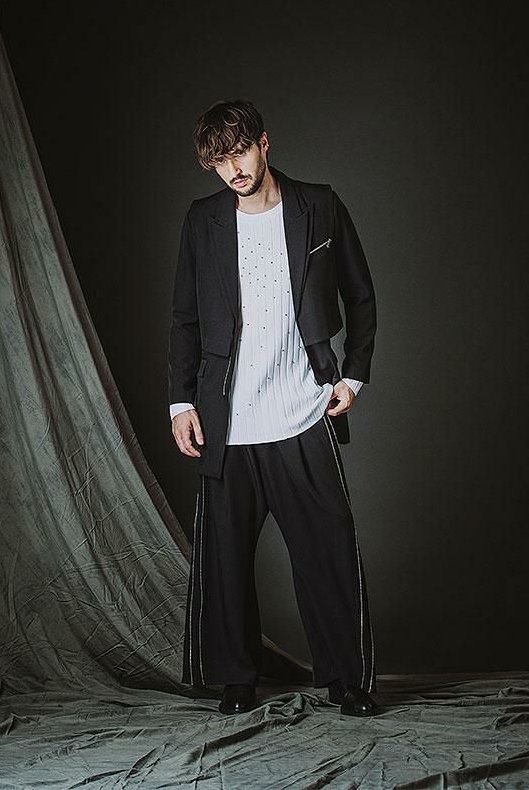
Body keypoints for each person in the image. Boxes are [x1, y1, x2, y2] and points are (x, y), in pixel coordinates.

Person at [168, 99, 381, 717]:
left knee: (328, 553)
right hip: (226, 419)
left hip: (303, 411)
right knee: (227, 560)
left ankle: (346, 680)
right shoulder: (202, 220)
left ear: (264, 142)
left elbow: (361, 296)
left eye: (240, 152)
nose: (232, 170)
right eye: (219, 161)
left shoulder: (320, 206)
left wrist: (354, 376)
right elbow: (184, 317)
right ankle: (238, 679)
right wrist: (181, 402)